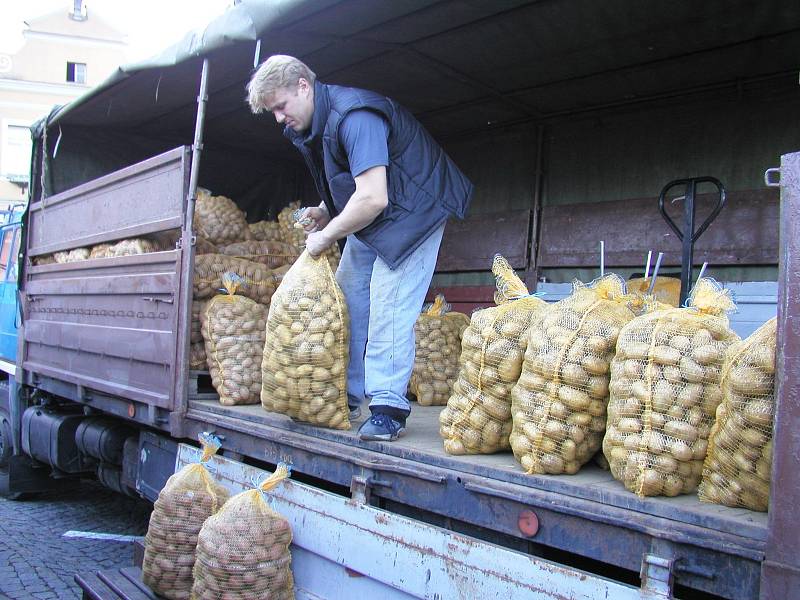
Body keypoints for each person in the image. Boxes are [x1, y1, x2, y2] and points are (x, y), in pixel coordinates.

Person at [247, 55, 473, 441]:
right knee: (348, 295)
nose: (278, 118)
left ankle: (387, 408)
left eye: (280, 106)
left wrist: (328, 235)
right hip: (379, 213)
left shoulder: (356, 116)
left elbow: (372, 198)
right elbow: (347, 176)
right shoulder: (313, 125)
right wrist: (325, 211)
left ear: (304, 86)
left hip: (414, 212)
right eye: (272, 112)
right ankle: (343, 394)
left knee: (390, 303)